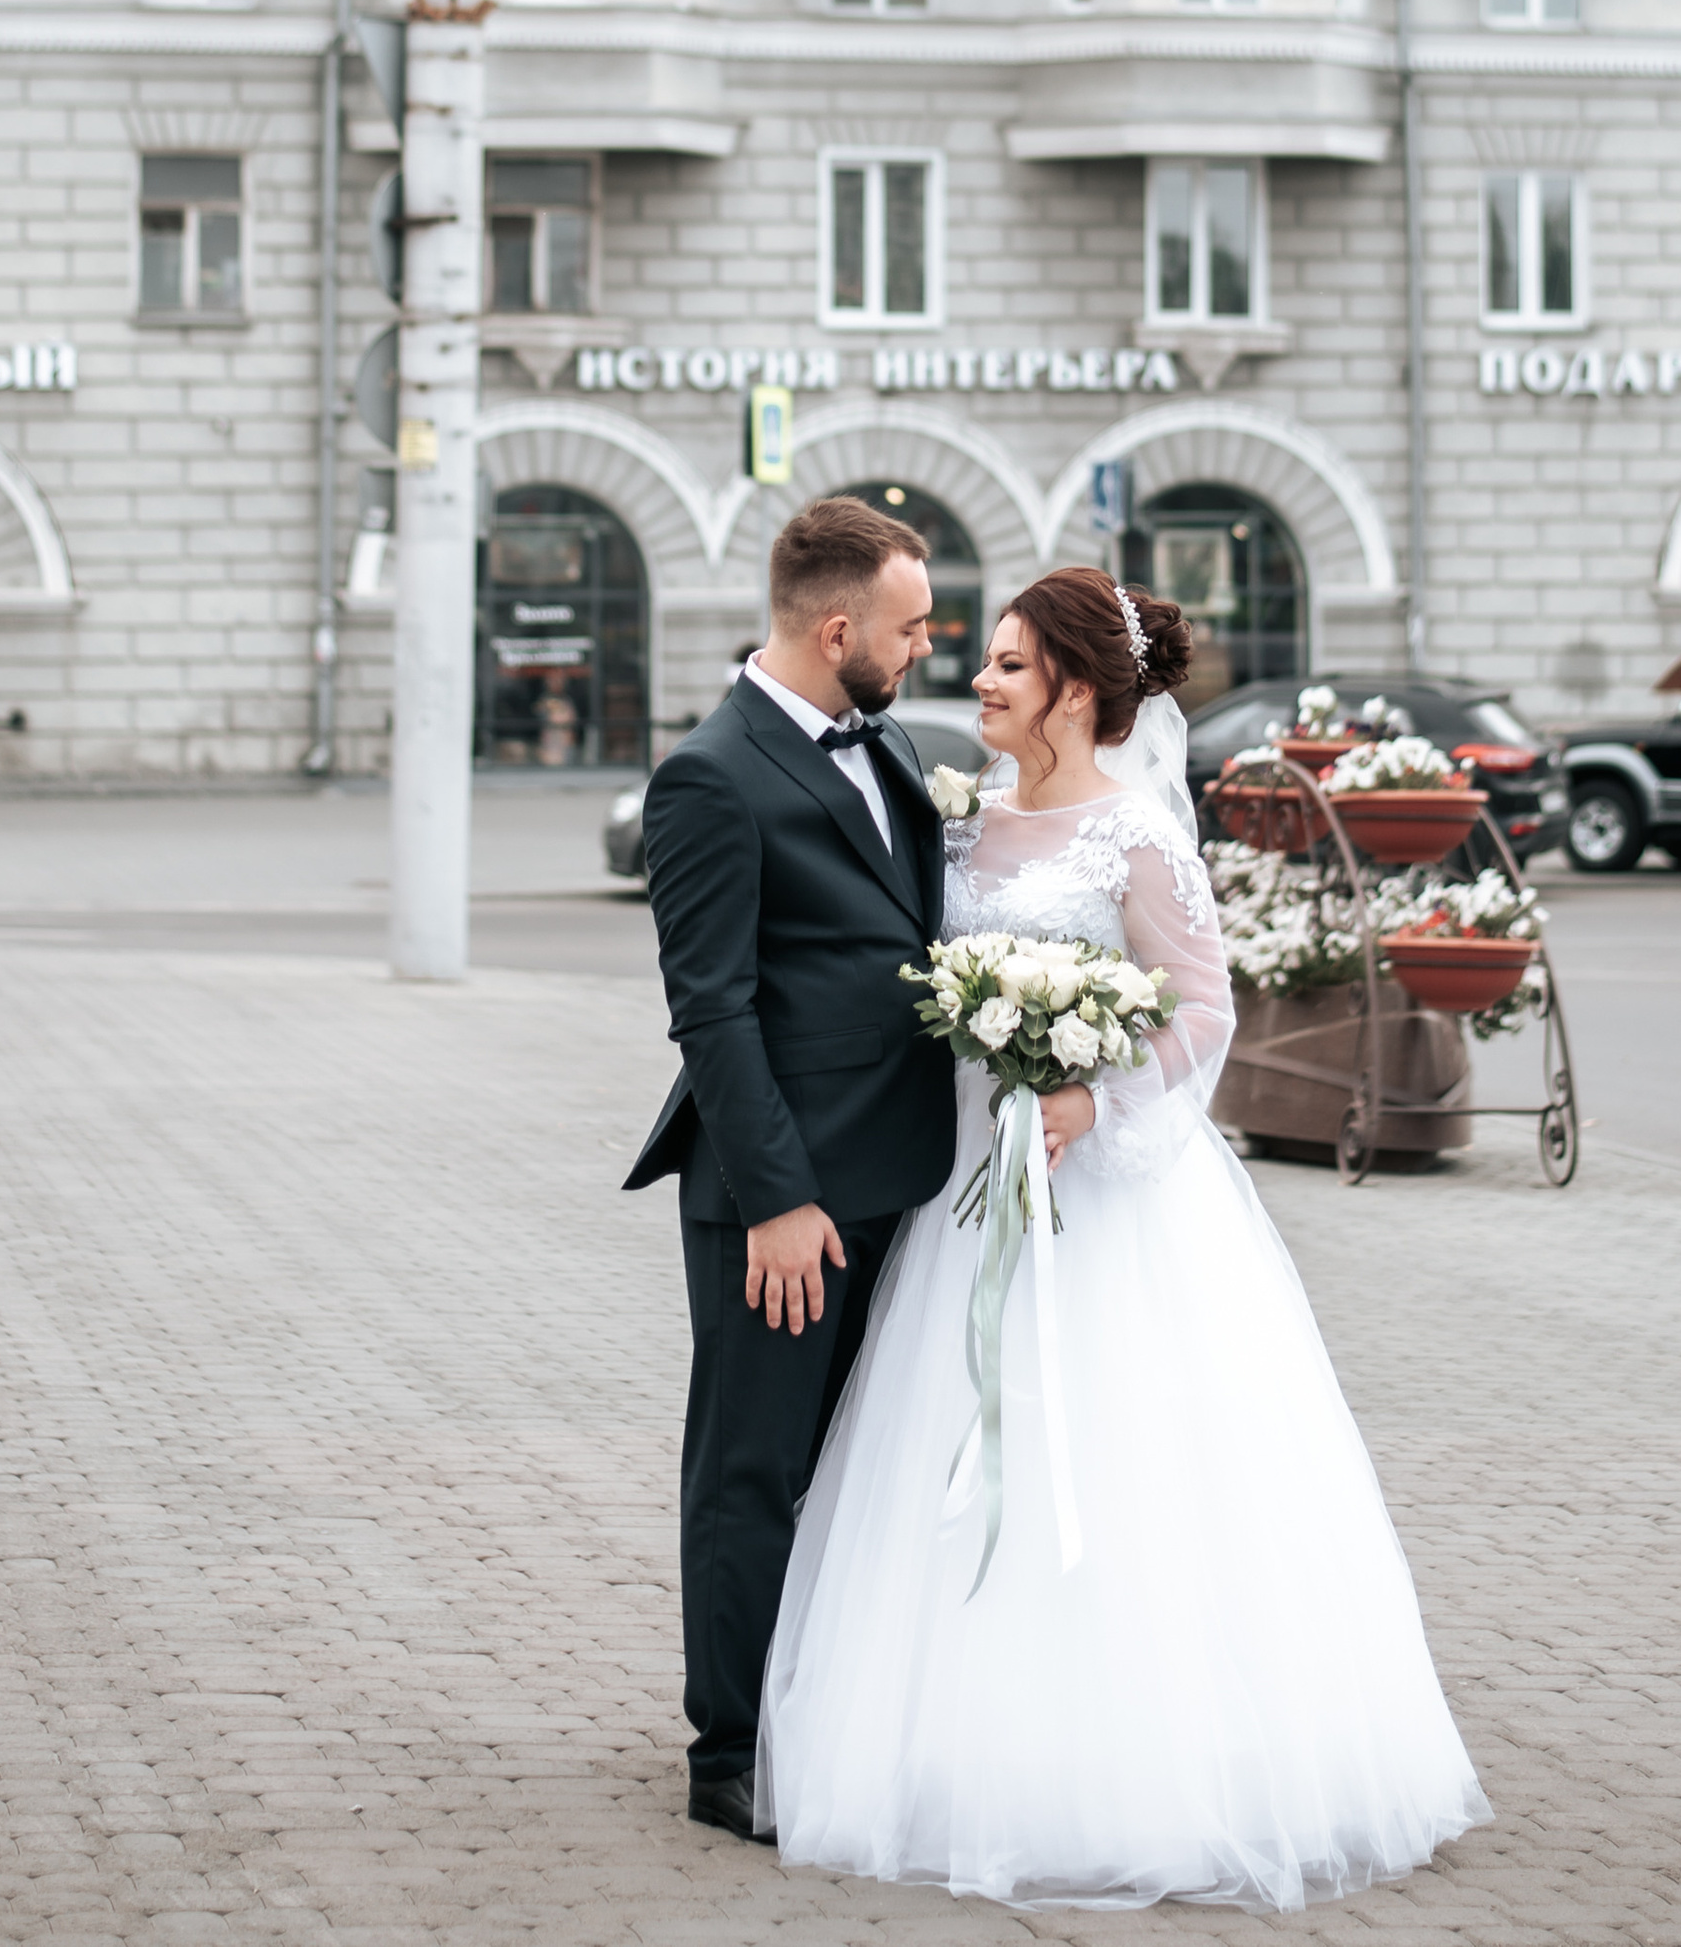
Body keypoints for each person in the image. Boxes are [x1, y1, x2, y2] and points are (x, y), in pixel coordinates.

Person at [758, 564, 1491, 1911]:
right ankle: (966, 1745)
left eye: (1010, 663)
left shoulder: (1137, 836)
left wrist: (1090, 1095)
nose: (980, 679)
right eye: (985, 658)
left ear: (1079, 689)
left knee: (1121, 1457)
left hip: (1109, 1200)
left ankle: (1142, 1760)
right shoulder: (965, 825)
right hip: (970, 1187)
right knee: (962, 1439)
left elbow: (1203, 1009)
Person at [625, 492, 955, 1843]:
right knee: (752, 1468)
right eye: (910, 626)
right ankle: (732, 1751)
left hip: (897, 1174)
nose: (926, 647)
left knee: (854, 1466)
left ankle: (824, 1712)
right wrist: (777, 1199)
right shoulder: (711, 775)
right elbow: (711, 1009)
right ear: (836, 630)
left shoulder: (896, 746)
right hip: (782, 1199)